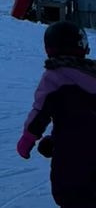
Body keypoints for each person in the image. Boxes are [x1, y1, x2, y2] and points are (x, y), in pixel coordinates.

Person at [16, 20, 96, 207]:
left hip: (72, 157)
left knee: (71, 195)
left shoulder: (54, 78)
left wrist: (27, 140)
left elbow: (40, 113)